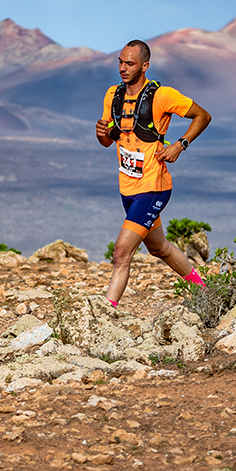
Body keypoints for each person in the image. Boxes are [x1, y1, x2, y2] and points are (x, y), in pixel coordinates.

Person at [95, 39, 212, 308]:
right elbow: (107, 141)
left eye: (130, 63)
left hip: (153, 187)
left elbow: (202, 116)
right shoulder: (113, 95)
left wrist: (180, 145)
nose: (123, 68)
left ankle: (103, 312)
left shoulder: (162, 96)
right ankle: (204, 290)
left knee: (121, 253)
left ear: (145, 66)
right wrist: (101, 133)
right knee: (159, 248)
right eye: (120, 62)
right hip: (127, 189)